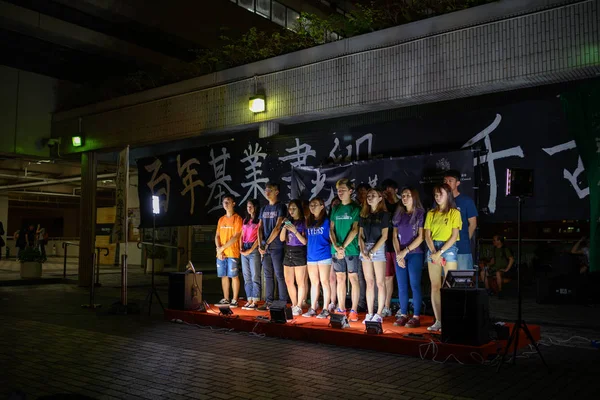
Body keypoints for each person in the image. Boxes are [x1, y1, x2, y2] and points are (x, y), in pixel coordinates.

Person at [424, 183, 462, 332]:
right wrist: (434, 252)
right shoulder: (431, 213)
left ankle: (450, 320)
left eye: (440, 193)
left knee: (450, 286)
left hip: (448, 248)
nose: (438, 197)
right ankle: (438, 320)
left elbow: (454, 236)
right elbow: (427, 235)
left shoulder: (454, 213)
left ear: (448, 194)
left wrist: (439, 253)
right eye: (436, 194)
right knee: (435, 286)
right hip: (433, 247)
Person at [392, 187, 425, 328]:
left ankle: (416, 316)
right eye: (403, 195)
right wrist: (399, 254)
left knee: (415, 284)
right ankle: (404, 314)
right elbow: (394, 236)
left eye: (408, 195)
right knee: (401, 286)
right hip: (399, 254)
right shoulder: (399, 213)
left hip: (414, 253)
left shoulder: (420, 213)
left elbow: (421, 236)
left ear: (414, 198)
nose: (404, 198)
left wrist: (405, 251)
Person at [330, 178, 361, 322]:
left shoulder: (356, 208)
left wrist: (343, 246)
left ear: (350, 191)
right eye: (338, 190)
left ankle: (354, 310)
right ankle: (341, 308)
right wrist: (336, 246)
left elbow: (355, 229)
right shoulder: (335, 208)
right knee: (340, 278)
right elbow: (331, 229)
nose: (340, 192)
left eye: (343, 189)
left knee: (353, 278)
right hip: (336, 249)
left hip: (352, 249)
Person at [358, 187, 389, 323]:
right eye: (368, 195)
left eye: (373, 195)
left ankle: (379, 314)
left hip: (378, 248)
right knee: (369, 282)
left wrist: (372, 251)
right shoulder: (363, 214)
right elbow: (360, 235)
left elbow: (384, 236)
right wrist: (363, 250)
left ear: (380, 198)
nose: (370, 197)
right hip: (365, 248)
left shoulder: (384, 214)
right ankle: (369, 313)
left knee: (380, 282)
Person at [258, 182, 288, 311]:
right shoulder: (263, 208)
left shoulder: (281, 207)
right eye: (266, 190)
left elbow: (277, 227)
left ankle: (282, 302)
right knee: (267, 275)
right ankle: (268, 302)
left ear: (277, 192)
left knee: (279, 274)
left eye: (270, 190)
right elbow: (259, 227)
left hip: (276, 246)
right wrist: (260, 245)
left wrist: (267, 243)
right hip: (265, 247)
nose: (267, 192)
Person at [303, 197, 332, 318]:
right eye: (311, 205)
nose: (312, 207)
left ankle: (325, 308)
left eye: (315, 204)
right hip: (311, 256)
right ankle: (313, 307)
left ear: (322, 206)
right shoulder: (308, 222)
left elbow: (331, 237)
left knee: (325, 282)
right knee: (314, 282)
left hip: (324, 255)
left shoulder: (327, 221)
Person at [443, 170, 477, 270]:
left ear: (457, 183)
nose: (447, 183)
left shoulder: (467, 201)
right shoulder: (440, 201)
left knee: (463, 280)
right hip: (443, 247)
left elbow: (473, 224)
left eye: (450, 181)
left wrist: (464, 239)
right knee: (446, 281)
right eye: (445, 181)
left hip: (461, 247)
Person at [280, 200, 308, 316]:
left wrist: (295, 231)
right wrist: (285, 226)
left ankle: (299, 306)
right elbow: (282, 239)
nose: (291, 211)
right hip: (288, 252)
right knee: (289, 281)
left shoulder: (304, 222)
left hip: (300, 252)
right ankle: (294, 303)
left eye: (294, 208)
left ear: (299, 209)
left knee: (300, 281)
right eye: (290, 209)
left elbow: (304, 241)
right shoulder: (289, 221)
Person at [214, 194, 243, 308]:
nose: (225, 204)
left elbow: (236, 236)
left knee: (234, 275)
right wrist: (219, 250)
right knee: (223, 275)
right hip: (221, 253)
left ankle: (234, 299)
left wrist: (222, 248)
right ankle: (226, 298)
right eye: (224, 202)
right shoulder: (221, 219)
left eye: (228, 202)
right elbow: (217, 236)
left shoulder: (237, 219)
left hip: (232, 251)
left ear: (233, 204)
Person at [381, 179, 401, 317]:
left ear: (396, 190)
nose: (388, 193)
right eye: (385, 191)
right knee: (387, 277)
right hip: (386, 245)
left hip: (400, 246)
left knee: (401, 278)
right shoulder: (382, 205)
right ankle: (386, 307)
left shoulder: (402, 204)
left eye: (390, 190)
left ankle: (402, 307)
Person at [240, 199, 261, 310]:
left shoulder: (258, 221)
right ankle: (249, 299)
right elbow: (242, 235)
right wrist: (241, 247)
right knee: (246, 276)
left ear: (256, 207)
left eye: (251, 206)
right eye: (248, 206)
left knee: (255, 276)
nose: (249, 208)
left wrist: (251, 249)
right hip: (245, 247)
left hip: (253, 248)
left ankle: (255, 300)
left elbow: (259, 238)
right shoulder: (245, 220)